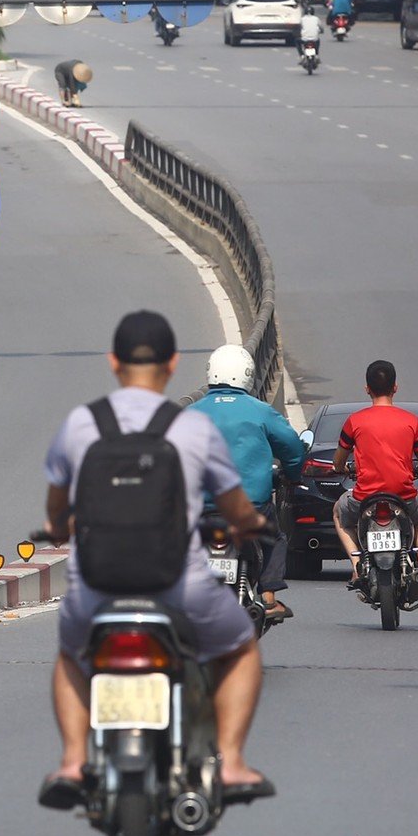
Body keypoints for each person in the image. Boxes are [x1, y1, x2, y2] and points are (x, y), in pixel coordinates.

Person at [38, 311, 272, 810]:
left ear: (113, 362)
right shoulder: (191, 429)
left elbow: (57, 506)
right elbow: (234, 507)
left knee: (70, 654)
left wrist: (61, 527)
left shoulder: (82, 424)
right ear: (171, 364)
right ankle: (230, 761)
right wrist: (249, 523)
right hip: (178, 587)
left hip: (95, 588)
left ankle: (74, 761)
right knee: (242, 650)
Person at [189, 344, 306, 623]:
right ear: (247, 375)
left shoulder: (190, 413)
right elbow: (292, 449)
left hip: (202, 504)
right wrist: (293, 474)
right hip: (250, 505)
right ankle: (268, 598)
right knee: (275, 538)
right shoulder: (260, 411)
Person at [331, 359, 418, 586]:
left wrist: (343, 469)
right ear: (395, 387)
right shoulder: (412, 422)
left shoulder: (354, 421)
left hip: (364, 498)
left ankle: (356, 566)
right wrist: (415, 468)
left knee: (339, 511)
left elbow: (338, 461)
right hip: (404, 497)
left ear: (367, 389)